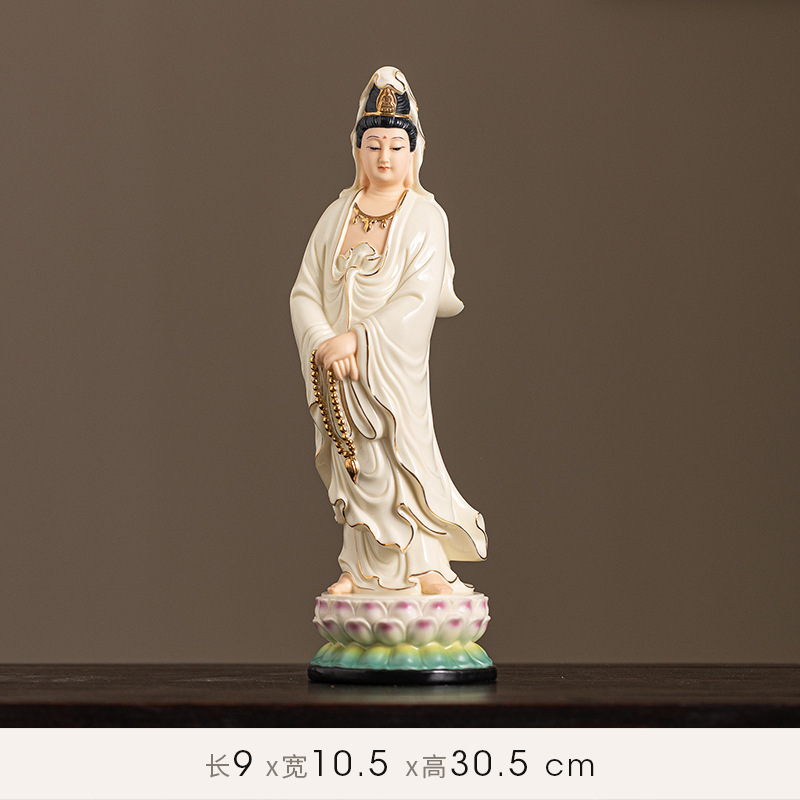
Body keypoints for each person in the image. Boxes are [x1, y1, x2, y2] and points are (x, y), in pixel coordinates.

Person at [290, 67, 486, 595]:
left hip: (387, 368)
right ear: (357, 149)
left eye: (396, 146)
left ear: (414, 152)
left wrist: (359, 339)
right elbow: (304, 291)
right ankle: (359, 567)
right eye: (373, 145)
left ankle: (423, 565)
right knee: (354, 465)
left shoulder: (425, 217)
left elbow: (417, 299)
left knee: (398, 459)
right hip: (338, 370)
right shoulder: (336, 215)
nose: (384, 158)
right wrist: (323, 342)